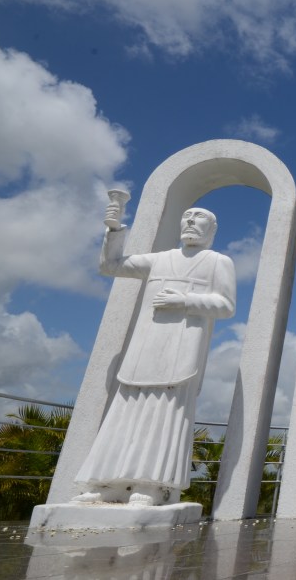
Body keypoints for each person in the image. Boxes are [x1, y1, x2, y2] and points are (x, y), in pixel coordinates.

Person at [73, 203, 236, 506]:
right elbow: (111, 266)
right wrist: (114, 230)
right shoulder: (159, 259)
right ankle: (107, 482)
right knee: (124, 415)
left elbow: (226, 305)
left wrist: (185, 301)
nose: (190, 221)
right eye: (186, 216)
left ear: (212, 229)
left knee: (165, 416)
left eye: (199, 217)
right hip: (143, 351)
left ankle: (150, 485)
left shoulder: (218, 262)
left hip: (181, 353)